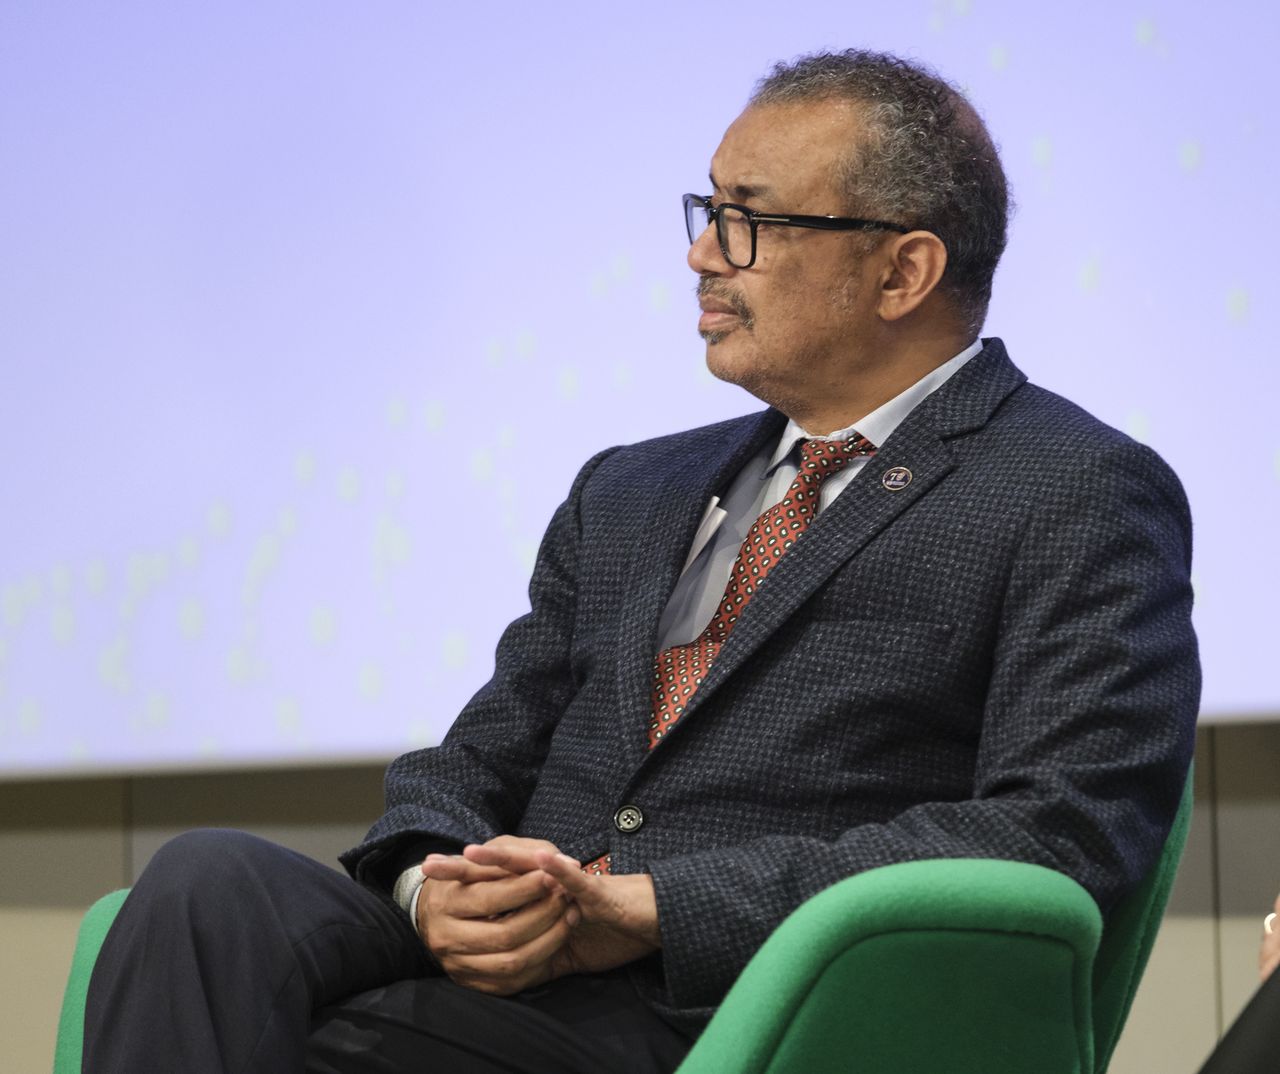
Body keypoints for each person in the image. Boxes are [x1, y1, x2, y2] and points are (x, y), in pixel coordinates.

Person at [83, 49, 1200, 1074]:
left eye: (747, 221)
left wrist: (657, 908)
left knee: (336, 1049)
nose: (701, 254)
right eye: (706, 209)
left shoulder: (1073, 489)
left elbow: (1054, 831)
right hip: (501, 958)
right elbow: (476, 756)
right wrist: (434, 884)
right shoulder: (630, 487)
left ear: (901, 270)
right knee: (205, 883)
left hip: (724, 1000)